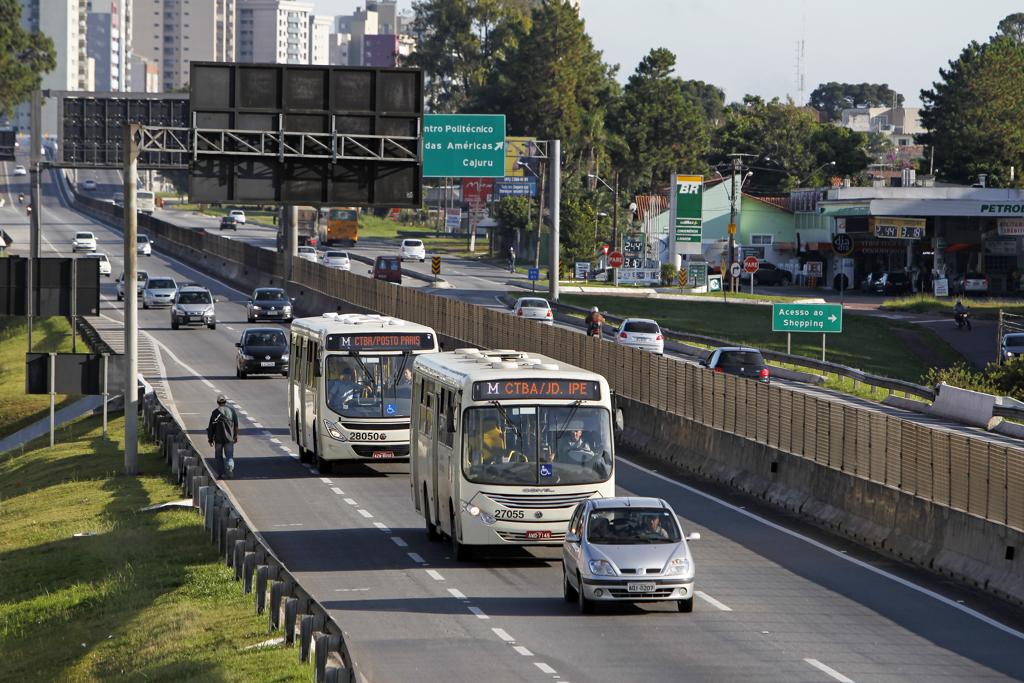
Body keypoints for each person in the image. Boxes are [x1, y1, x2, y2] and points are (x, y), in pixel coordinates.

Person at [206, 394, 238, 479]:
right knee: (229, 456)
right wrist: (235, 436)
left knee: (218, 456)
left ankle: (221, 473)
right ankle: (230, 468)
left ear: (217, 402)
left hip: (218, 439)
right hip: (229, 439)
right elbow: (236, 425)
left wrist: (210, 439)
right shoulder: (232, 411)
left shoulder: (215, 412)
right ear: (225, 401)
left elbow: (211, 427)